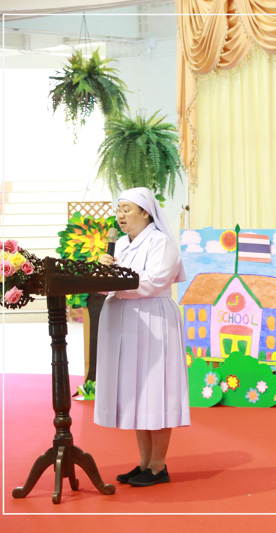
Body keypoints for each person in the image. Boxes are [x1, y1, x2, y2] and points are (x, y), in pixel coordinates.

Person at [95, 187, 189, 487]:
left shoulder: (161, 242)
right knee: (137, 392)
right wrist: (101, 272)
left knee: (155, 390)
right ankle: (144, 463)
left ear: (146, 212)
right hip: (125, 322)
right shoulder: (121, 245)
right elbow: (106, 286)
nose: (120, 215)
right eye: (119, 210)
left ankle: (159, 466)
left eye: (127, 210)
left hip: (153, 320)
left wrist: (114, 280)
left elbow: (154, 281)